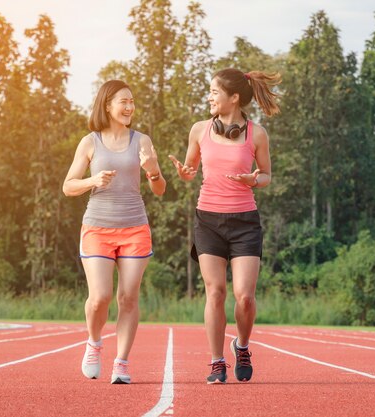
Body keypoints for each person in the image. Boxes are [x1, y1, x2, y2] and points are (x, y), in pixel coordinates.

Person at [169, 68, 280, 384]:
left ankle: (241, 346)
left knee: (244, 296)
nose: (209, 97)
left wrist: (255, 180)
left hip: (245, 222)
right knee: (215, 292)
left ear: (233, 98)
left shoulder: (256, 134)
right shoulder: (199, 130)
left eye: (214, 92)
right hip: (209, 221)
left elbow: (268, 175)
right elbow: (190, 170)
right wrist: (185, 173)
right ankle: (217, 362)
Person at [63, 79, 166, 384]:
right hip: (97, 228)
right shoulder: (90, 142)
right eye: (123, 101)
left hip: (135, 228)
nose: (129, 107)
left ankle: (121, 362)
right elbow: (68, 186)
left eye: (132, 101)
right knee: (100, 298)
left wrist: (153, 170)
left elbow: (159, 189)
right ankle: (94, 342)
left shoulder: (142, 141)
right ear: (107, 104)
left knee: (128, 297)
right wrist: (92, 182)